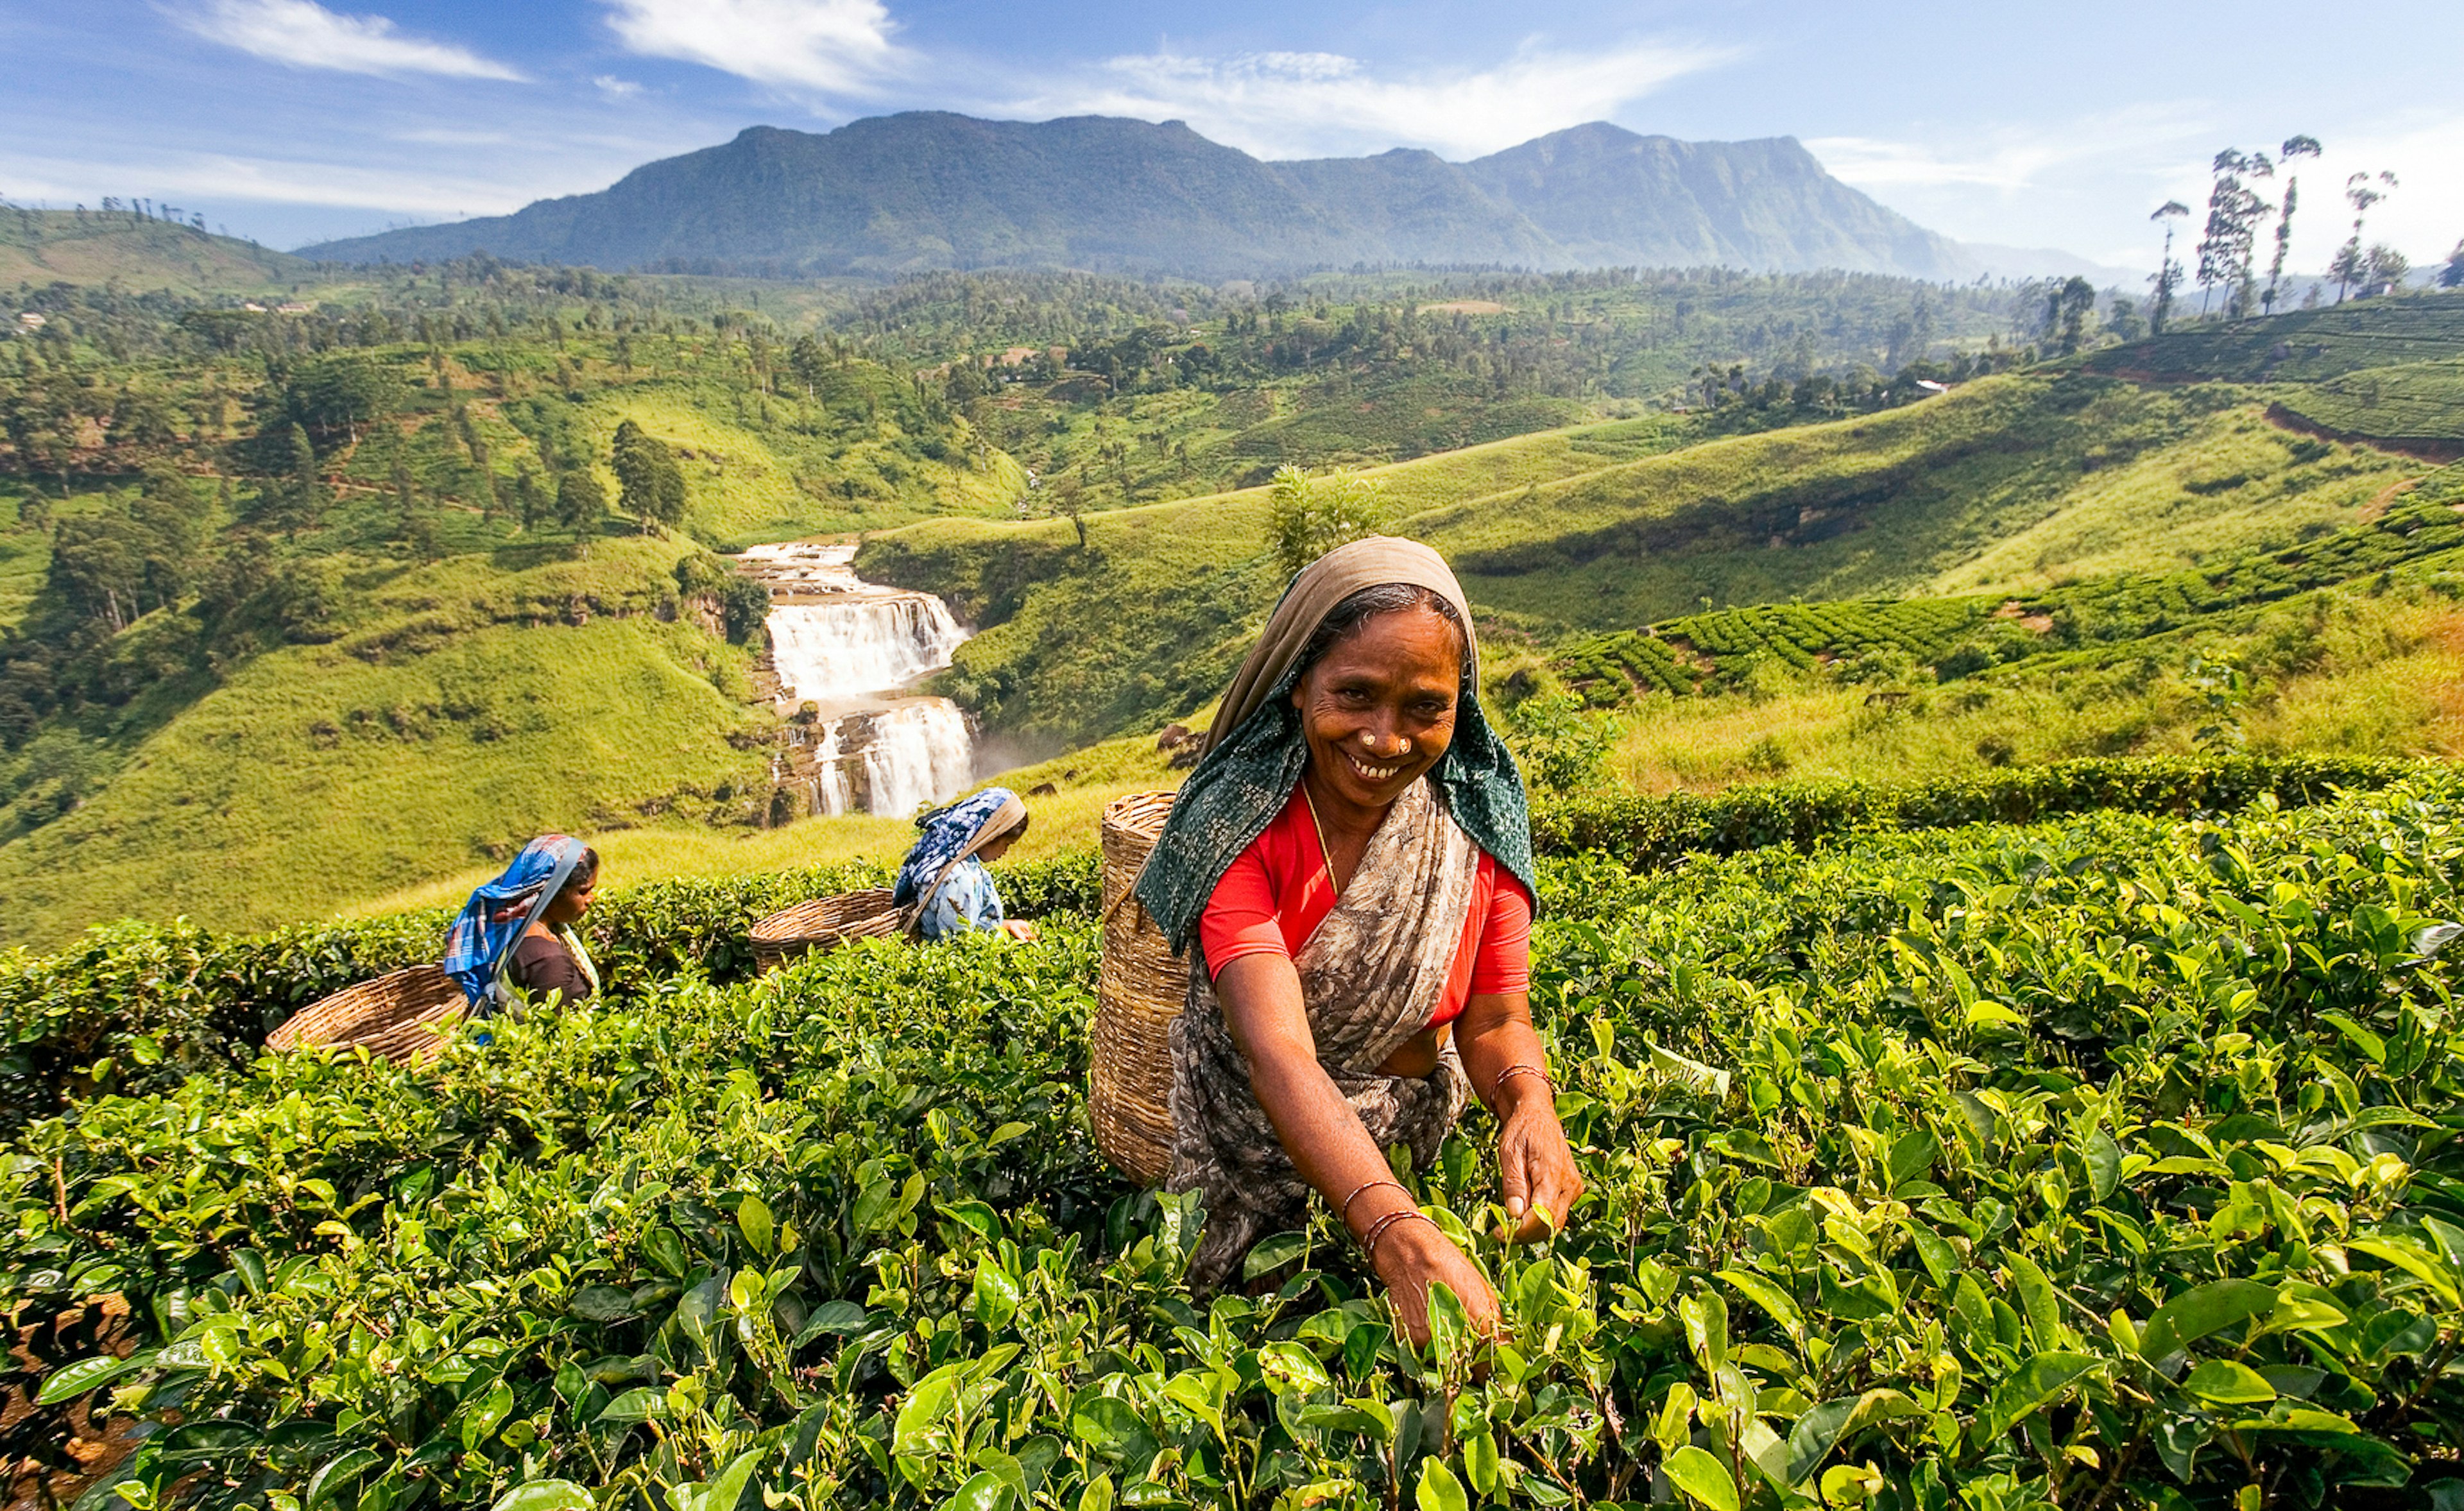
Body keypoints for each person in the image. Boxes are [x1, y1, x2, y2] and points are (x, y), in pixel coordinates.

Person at [1133, 536, 1582, 1344]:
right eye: (1356, 696)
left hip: (1415, 1147)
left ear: (1462, 705)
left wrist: (1530, 1104)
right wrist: (1395, 1234)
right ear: (1300, 685)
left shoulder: (1474, 830)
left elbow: (1494, 1021)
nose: (1385, 738)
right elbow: (1280, 1055)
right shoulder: (1239, 832)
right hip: (1257, 1149)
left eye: (1425, 709)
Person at [442, 835, 601, 1016]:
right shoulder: (547, 961)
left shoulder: (513, 930)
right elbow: (561, 1031)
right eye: (583, 891)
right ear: (552, 891)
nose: (591, 899)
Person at [894, 787, 1038, 942]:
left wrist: (1006, 925)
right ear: (990, 834)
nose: (1005, 852)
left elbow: (970, 925)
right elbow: (960, 946)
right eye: (1007, 844)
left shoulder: (961, 862)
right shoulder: (959, 879)